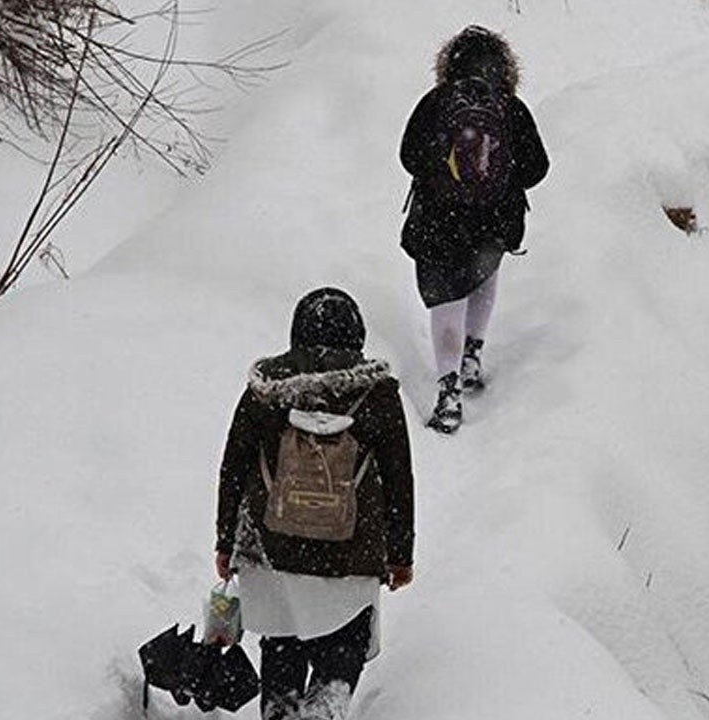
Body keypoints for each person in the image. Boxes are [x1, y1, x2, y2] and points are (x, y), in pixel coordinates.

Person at [215, 287, 415, 720]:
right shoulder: (378, 394)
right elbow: (400, 479)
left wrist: (225, 541)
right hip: (351, 552)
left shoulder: (267, 391)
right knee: (343, 643)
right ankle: (326, 704)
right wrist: (400, 555)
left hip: (272, 547)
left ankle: (280, 709)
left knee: (282, 639)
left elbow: (234, 467)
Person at [399, 25, 550, 433]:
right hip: (492, 223)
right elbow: (538, 168)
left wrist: (443, 174)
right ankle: (472, 355)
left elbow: (408, 156)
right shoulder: (511, 108)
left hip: (438, 223)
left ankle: (448, 390)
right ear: (504, 66)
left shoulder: (436, 102)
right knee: (483, 274)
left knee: (445, 301)